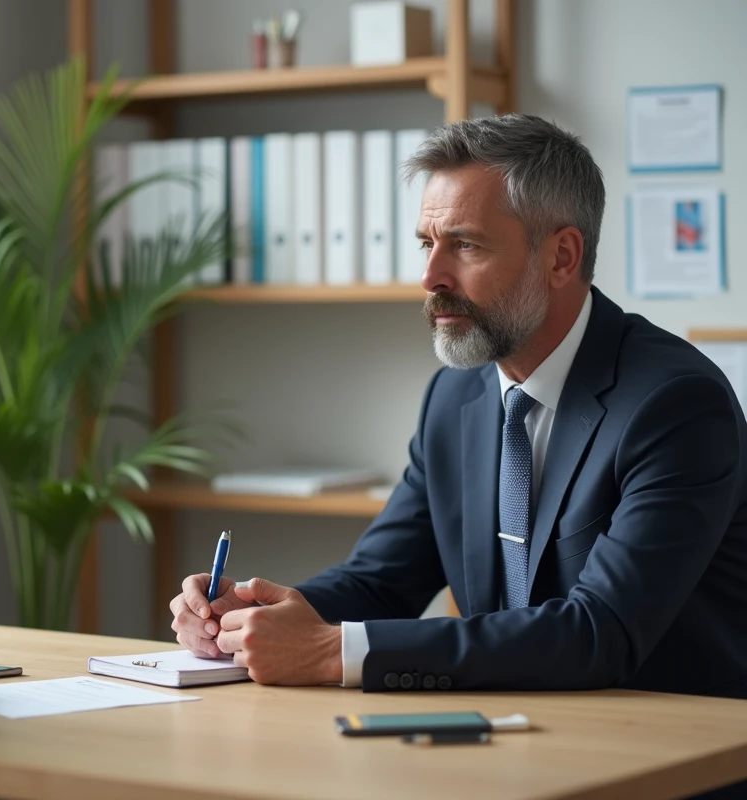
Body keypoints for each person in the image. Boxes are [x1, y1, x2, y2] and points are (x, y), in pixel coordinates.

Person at [171, 114, 747, 700]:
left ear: (561, 257)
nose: (430, 277)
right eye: (427, 244)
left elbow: (599, 632)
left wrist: (327, 651)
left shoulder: (674, 405)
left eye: (465, 245)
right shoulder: (456, 396)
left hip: (665, 738)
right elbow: (380, 580)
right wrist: (249, 617)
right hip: (509, 729)